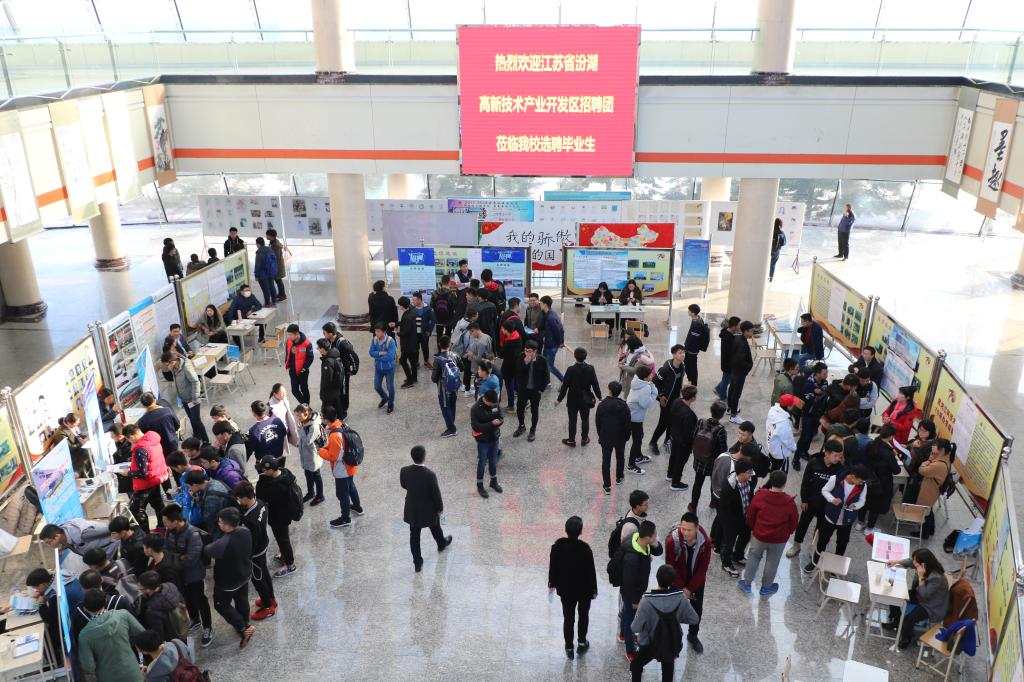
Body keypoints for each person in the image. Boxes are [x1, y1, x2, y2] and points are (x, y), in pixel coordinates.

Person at [629, 564, 700, 680]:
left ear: (657, 578)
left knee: (636, 665)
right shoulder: (681, 598)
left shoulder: (646, 601)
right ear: (673, 581)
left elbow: (635, 627)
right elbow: (694, 619)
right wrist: (677, 618)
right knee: (668, 669)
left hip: (650, 644)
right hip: (671, 641)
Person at [738, 470, 798, 596]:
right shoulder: (789, 502)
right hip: (778, 539)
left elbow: (751, 515)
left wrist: (754, 528)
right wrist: (788, 532)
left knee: (754, 557)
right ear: (784, 484)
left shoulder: (760, 496)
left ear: (771, 481)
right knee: (772, 562)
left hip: (759, 536)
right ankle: (766, 587)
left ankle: (747, 584)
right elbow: (793, 522)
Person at [203, 507, 255, 648]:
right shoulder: (245, 531)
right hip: (244, 574)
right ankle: (245, 621)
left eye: (220, 522)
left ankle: (243, 628)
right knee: (242, 599)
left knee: (221, 605)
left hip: (227, 582)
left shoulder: (223, 543)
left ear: (226, 525)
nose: (218, 524)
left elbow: (207, 550)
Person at [161, 504, 212, 645]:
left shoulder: (193, 534)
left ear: (175, 521)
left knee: (200, 600)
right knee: (187, 598)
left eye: (166, 522)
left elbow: (191, 559)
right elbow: (166, 550)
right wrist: (178, 557)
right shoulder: (169, 531)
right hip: (179, 574)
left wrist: (174, 558)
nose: (164, 525)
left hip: (194, 574)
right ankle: (195, 619)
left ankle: (207, 627)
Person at [785, 439, 845, 559]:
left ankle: (814, 548)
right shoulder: (814, 462)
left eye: (840, 456)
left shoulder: (839, 468)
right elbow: (805, 482)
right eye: (835, 456)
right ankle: (796, 545)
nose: (838, 458)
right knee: (803, 524)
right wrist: (804, 500)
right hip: (811, 502)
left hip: (826, 505)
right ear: (826, 453)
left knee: (820, 529)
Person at [548, 515, 597, 659]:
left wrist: (552, 583)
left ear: (565, 530)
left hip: (566, 590)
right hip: (584, 590)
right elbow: (591, 572)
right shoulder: (585, 549)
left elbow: (553, 568)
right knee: (583, 615)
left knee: (568, 618)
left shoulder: (557, 548)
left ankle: (569, 647)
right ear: (581, 532)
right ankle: (582, 642)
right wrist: (594, 590)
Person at [805, 464, 868, 573]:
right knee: (822, 541)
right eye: (860, 480)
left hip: (846, 520)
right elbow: (824, 490)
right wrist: (832, 499)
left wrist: (855, 505)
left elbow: (862, 501)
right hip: (830, 517)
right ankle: (815, 561)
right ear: (853, 476)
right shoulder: (836, 479)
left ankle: (836, 567)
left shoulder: (863, 486)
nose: (861, 483)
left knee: (842, 543)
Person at [662, 512, 710, 653]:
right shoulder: (672, 541)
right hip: (677, 580)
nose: (686, 533)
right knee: (673, 610)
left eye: (689, 530)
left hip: (696, 581)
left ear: (697, 528)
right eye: (683, 529)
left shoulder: (705, 542)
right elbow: (671, 566)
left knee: (696, 610)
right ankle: (672, 635)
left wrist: (690, 588)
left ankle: (693, 635)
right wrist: (681, 588)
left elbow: (703, 568)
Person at [400, 445, 452, 572]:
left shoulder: (404, 471)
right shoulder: (430, 475)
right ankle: (441, 544)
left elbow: (404, 485)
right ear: (424, 457)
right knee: (435, 527)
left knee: (414, 537)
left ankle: (417, 563)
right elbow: (436, 494)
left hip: (413, 510)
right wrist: (440, 508)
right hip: (429, 510)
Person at [885, 548, 950, 649]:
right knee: (896, 595)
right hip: (921, 595)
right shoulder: (924, 565)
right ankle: (896, 621)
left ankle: (907, 638)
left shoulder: (936, 578)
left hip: (931, 606)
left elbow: (924, 595)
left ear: (923, 564)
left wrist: (921, 577)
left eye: (916, 561)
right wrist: (896, 562)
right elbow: (910, 562)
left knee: (908, 619)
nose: (914, 563)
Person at [77, 590, 146, 681]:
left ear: (85, 609)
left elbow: (89, 666)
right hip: (132, 672)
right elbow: (143, 635)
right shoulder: (123, 615)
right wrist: (128, 641)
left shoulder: (84, 635)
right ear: (105, 601)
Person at [232, 481, 277, 620]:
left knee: (258, 579)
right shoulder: (261, 503)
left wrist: (246, 556)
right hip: (263, 545)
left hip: (255, 552)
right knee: (264, 573)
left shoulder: (249, 519)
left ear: (246, 497)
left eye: (239, 498)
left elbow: (252, 540)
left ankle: (268, 607)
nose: (239, 501)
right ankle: (271, 598)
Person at [617, 519, 659, 662]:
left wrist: (655, 544)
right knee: (631, 621)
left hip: (633, 589)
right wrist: (635, 600)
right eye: (654, 536)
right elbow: (629, 582)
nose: (656, 537)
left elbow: (659, 551)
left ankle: (623, 635)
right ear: (647, 537)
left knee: (626, 612)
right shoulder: (632, 558)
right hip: (631, 592)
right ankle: (630, 651)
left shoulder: (638, 540)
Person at [319, 405, 364, 529]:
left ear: (326, 419)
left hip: (342, 470)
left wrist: (320, 451)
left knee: (342, 494)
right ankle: (358, 507)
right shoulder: (342, 425)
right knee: (351, 487)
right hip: (350, 465)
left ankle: (345, 518)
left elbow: (334, 456)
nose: (321, 418)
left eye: (322, 417)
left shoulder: (334, 436)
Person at [117, 424, 168, 532]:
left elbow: (142, 473)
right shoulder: (153, 440)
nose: (129, 442)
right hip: (155, 479)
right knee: (158, 505)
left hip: (144, 484)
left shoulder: (140, 449)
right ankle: (162, 528)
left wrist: (128, 473)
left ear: (132, 436)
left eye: (128, 439)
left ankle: (145, 534)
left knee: (138, 511)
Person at [255, 455, 298, 578]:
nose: (261, 472)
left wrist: (262, 480)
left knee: (283, 540)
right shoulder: (285, 473)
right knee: (283, 538)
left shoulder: (274, 485)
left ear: (271, 470)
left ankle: (290, 565)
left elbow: (261, 497)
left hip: (279, 517)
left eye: (263, 470)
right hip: (286, 513)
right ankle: (284, 555)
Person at [856, 424, 901, 534]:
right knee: (875, 506)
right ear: (891, 436)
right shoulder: (888, 453)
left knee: (864, 501)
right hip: (882, 482)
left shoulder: (871, 444)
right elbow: (897, 471)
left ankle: (860, 523)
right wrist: (895, 458)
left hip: (867, 478)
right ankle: (869, 528)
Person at [556, 347, 601, 447]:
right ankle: (584, 439)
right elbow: (595, 384)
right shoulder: (590, 368)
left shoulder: (570, 370)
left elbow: (565, 386)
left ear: (574, 356)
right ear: (585, 357)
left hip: (572, 399)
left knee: (572, 421)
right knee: (585, 419)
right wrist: (599, 396)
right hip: (586, 399)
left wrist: (559, 399)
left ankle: (571, 440)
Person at [718, 459, 755, 577]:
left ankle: (738, 556)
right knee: (729, 543)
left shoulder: (750, 481)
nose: (751, 474)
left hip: (745, 517)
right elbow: (724, 509)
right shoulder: (728, 487)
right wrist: (730, 524)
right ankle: (726, 564)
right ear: (741, 473)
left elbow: (750, 496)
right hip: (731, 521)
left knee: (745, 536)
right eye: (749, 472)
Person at [689, 401, 728, 511]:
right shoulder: (721, 430)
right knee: (714, 483)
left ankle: (693, 506)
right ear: (722, 415)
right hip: (713, 463)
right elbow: (723, 449)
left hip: (699, 460)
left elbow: (693, 436)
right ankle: (713, 502)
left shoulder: (701, 422)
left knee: (697, 483)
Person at [161, 351, 208, 442]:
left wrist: (195, 398)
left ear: (172, 361)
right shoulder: (174, 368)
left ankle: (206, 441)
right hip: (184, 398)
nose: (167, 367)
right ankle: (197, 435)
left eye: (167, 365)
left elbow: (196, 382)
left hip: (193, 398)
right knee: (191, 418)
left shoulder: (186, 367)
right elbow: (169, 377)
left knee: (196, 420)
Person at [912, 439, 953, 540]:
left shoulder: (939, 464)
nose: (932, 447)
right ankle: (931, 529)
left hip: (930, 490)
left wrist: (927, 462)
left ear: (942, 450)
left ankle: (924, 533)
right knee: (928, 509)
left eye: (935, 446)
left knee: (925, 509)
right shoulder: (943, 458)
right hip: (932, 488)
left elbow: (922, 470)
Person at [596, 381, 631, 494]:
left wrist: (601, 434)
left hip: (606, 437)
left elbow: (598, 422)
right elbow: (627, 423)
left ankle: (607, 486)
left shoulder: (602, 405)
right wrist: (627, 436)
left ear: (609, 390)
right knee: (620, 457)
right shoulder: (623, 405)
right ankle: (619, 477)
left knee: (606, 461)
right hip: (620, 437)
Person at [649, 344, 685, 454]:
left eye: (683, 352)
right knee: (663, 423)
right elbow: (654, 382)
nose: (683, 354)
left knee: (672, 422)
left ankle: (667, 441)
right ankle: (653, 442)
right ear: (674, 354)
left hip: (676, 399)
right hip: (666, 400)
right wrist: (660, 396)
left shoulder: (682, 366)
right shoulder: (666, 369)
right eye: (680, 353)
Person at [793, 362, 829, 470]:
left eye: (826, 373)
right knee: (805, 436)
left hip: (818, 414)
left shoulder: (824, 382)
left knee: (811, 434)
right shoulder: (808, 384)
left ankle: (804, 452)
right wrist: (819, 394)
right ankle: (796, 458)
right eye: (824, 373)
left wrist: (819, 393)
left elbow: (826, 394)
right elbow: (810, 400)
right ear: (817, 373)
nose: (826, 375)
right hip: (808, 414)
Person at [624, 365, 658, 476]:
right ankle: (631, 465)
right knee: (637, 440)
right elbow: (645, 404)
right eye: (650, 374)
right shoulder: (645, 387)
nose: (652, 375)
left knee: (639, 436)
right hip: (636, 417)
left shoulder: (636, 381)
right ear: (645, 377)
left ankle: (638, 457)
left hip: (632, 415)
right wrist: (654, 391)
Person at [469, 389, 504, 498]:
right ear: (485, 399)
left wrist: (500, 421)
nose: (494, 405)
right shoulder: (475, 409)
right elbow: (476, 427)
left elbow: (501, 416)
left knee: (493, 461)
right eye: (492, 404)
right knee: (482, 462)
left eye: (495, 403)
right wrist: (491, 424)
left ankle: (493, 481)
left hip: (494, 438)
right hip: (483, 441)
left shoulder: (494, 403)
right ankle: (480, 485)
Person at [137, 570, 187, 641]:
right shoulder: (171, 586)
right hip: (182, 628)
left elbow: (159, 634)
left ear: (148, 590)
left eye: (140, 588)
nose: (138, 588)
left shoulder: (152, 609)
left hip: (171, 640)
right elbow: (182, 600)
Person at [513, 341, 548, 442]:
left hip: (535, 391)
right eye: (525, 350)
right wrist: (525, 363)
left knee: (534, 410)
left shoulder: (542, 360)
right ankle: (521, 426)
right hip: (523, 389)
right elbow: (518, 370)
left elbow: (546, 376)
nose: (527, 353)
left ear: (535, 351)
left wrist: (541, 389)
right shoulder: (521, 357)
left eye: (529, 351)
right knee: (520, 409)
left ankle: (533, 430)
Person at [667, 385, 699, 492]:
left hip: (674, 436)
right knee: (680, 462)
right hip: (683, 443)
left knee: (673, 456)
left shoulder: (677, 401)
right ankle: (675, 483)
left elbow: (671, 416)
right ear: (693, 397)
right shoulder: (689, 415)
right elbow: (688, 434)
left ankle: (670, 474)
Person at [184, 469, 232, 537]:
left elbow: (208, 518)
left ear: (195, 485)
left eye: (189, 486)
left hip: (223, 528)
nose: (190, 489)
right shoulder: (215, 482)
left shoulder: (212, 497)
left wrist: (198, 502)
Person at [431, 335, 463, 438]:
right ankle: (451, 425)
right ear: (450, 344)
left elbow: (434, 378)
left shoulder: (438, 359)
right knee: (452, 405)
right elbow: (462, 368)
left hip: (443, 388)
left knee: (445, 407)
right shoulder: (455, 355)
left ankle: (452, 429)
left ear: (439, 345)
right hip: (454, 385)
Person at [321, 322, 359, 409]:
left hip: (344, 371)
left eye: (324, 332)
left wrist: (354, 370)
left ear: (330, 333)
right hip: (335, 370)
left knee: (344, 391)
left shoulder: (343, 343)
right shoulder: (329, 341)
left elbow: (354, 357)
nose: (323, 334)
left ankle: (344, 409)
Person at [294, 403, 324, 504]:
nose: (298, 418)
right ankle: (311, 492)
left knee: (316, 476)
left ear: (306, 414)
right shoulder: (305, 423)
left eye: (299, 416)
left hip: (313, 456)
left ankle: (320, 495)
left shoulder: (313, 426)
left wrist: (300, 429)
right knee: (308, 475)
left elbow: (308, 441)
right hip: (306, 456)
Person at [727, 321, 754, 423]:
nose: (752, 333)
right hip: (739, 372)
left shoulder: (738, 337)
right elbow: (740, 361)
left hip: (734, 370)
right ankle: (733, 416)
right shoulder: (741, 343)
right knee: (736, 394)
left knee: (732, 390)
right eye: (751, 331)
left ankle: (730, 408)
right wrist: (748, 367)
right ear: (745, 331)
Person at [766, 394, 799, 474]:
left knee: (773, 468)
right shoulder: (783, 423)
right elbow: (788, 440)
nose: (793, 406)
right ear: (788, 407)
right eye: (792, 404)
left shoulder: (772, 411)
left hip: (772, 446)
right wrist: (794, 448)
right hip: (780, 453)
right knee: (780, 474)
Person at [369, 323, 398, 414]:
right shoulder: (374, 340)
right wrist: (380, 353)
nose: (376, 333)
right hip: (378, 368)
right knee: (377, 386)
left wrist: (377, 357)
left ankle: (390, 403)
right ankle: (385, 398)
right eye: (375, 331)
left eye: (378, 331)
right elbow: (371, 352)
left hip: (389, 368)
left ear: (384, 332)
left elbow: (390, 357)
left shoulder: (391, 341)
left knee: (390, 387)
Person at [618, 335, 655, 401]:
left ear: (633, 345)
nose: (628, 347)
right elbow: (629, 359)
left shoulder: (642, 356)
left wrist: (623, 367)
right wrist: (623, 362)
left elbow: (636, 370)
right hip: (629, 376)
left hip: (634, 378)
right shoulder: (636, 350)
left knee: (630, 397)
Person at [284, 323, 314, 405]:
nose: (289, 337)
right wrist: (287, 364)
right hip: (292, 370)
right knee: (294, 390)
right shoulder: (289, 341)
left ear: (296, 334)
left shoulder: (307, 343)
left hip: (302, 371)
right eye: (288, 334)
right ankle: (306, 406)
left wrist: (304, 368)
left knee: (304, 389)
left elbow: (310, 358)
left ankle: (306, 407)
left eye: (290, 335)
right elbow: (287, 353)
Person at [498, 318, 523, 411]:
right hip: (516, 364)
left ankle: (511, 405)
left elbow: (501, 354)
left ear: (506, 330)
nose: (501, 330)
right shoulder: (518, 336)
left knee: (509, 386)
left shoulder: (508, 343)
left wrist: (500, 350)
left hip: (508, 366)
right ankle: (524, 401)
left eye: (502, 328)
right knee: (516, 384)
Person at [714, 316, 741, 401]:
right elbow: (730, 353)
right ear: (733, 326)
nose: (739, 327)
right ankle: (722, 397)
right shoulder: (728, 338)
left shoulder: (726, 332)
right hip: (728, 364)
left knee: (727, 379)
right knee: (726, 380)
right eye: (738, 325)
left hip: (727, 363)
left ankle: (718, 388)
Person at [683, 304, 710, 386]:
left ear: (693, 313)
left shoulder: (697, 324)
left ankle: (693, 384)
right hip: (692, 348)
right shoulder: (698, 318)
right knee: (689, 365)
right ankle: (691, 381)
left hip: (692, 349)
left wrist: (686, 348)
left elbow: (693, 340)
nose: (688, 312)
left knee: (691, 366)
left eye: (689, 311)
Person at [463, 323, 493, 397]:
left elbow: (480, 360)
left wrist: (472, 355)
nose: (471, 335)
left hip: (481, 369)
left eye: (471, 333)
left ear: (474, 330)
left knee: (479, 390)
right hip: (487, 366)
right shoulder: (487, 336)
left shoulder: (481, 342)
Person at [540, 296, 565, 382]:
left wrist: (560, 342)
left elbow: (558, 331)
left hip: (552, 345)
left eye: (541, 303)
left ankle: (564, 381)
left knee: (550, 366)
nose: (540, 305)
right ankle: (545, 382)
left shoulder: (551, 317)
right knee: (545, 364)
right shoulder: (549, 313)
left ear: (545, 305)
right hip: (548, 344)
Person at [410, 291, 436, 370]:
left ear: (419, 300)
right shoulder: (412, 308)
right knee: (415, 349)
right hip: (414, 333)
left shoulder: (427, 308)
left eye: (414, 300)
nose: (413, 301)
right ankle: (416, 362)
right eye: (412, 300)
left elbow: (433, 320)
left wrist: (429, 331)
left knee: (425, 348)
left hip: (424, 333)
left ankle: (426, 361)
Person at [431, 275, 457, 348]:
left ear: (441, 282)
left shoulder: (435, 293)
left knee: (439, 335)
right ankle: (446, 350)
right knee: (448, 334)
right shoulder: (452, 294)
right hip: (449, 318)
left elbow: (431, 305)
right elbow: (455, 306)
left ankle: (440, 351)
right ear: (449, 282)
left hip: (438, 318)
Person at [254, 236, 278, 305]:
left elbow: (258, 265)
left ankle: (267, 303)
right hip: (271, 272)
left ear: (258, 244)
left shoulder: (259, 252)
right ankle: (274, 300)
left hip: (262, 274)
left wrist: (256, 275)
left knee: (265, 289)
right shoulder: (270, 249)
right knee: (271, 286)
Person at [266, 228, 288, 301]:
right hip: (276, 265)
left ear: (271, 236)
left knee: (278, 281)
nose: (266, 236)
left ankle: (283, 295)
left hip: (277, 266)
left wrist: (274, 267)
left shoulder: (275, 245)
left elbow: (276, 257)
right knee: (278, 281)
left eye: (267, 235)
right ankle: (281, 293)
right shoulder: (273, 242)